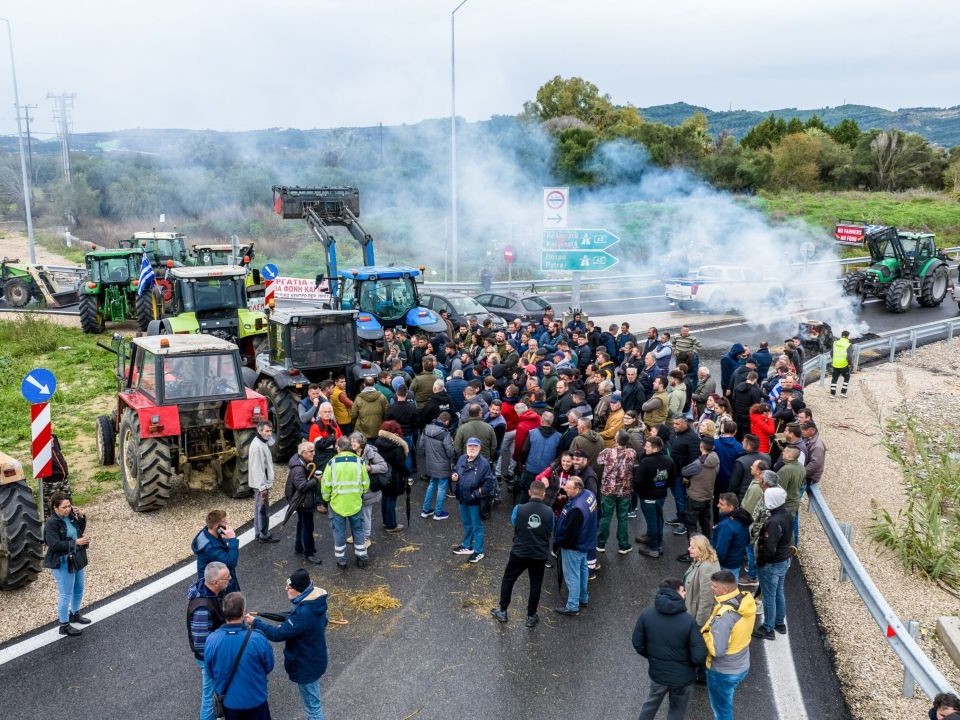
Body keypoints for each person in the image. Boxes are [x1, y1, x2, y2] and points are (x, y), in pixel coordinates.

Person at [249, 569, 329, 720]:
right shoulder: (315, 602)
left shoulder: (303, 613)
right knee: (313, 701)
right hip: (316, 656)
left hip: (307, 664)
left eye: (289, 587)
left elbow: (277, 634)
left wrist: (255, 622)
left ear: (298, 590)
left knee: (313, 708)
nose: (286, 589)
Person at [632, 577, 707, 720]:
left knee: (650, 705)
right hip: (683, 679)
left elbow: (638, 644)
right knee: (676, 712)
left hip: (658, 675)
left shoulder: (646, 615)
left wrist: (654, 656)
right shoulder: (689, 621)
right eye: (683, 590)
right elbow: (698, 655)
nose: (685, 594)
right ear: (676, 592)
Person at [491, 480, 554, 628]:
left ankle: (503, 611)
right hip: (539, 554)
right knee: (535, 585)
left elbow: (514, 522)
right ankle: (531, 616)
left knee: (508, 579)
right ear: (544, 494)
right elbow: (550, 529)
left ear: (529, 492)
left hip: (519, 551)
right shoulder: (549, 512)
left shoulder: (519, 509)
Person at [204, 592, 274, 720]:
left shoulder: (212, 640)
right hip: (256, 699)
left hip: (229, 702)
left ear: (224, 611)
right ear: (243, 612)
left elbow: (210, 672)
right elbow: (269, 666)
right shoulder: (257, 638)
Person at [702, 570, 756, 720]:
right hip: (741, 664)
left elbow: (717, 650)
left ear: (724, 590)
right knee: (726, 702)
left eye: (714, 586)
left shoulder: (725, 617)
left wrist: (705, 633)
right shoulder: (745, 600)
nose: (711, 588)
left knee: (722, 710)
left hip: (723, 671)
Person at [187, 561, 231, 720]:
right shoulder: (203, 608)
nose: (230, 579)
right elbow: (201, 645)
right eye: (227, 578)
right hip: (209, 659)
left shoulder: (210, 593)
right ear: (215, 582)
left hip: (213, 655)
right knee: (208, 697)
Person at [43, 492, 90, 636]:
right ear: (55, 508)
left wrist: (81, 517)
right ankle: (64, 625)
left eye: (69, 506)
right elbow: (54, 545)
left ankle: (74, 614)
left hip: (76, 557)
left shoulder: (70, 516)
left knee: (79, 588)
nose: (68, 509)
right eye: (64, 507)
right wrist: (75, 543)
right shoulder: (51, 523)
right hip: (62, 562)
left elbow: (79, 531)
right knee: (65, 594)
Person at [321, 436, 371, 569]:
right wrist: (359, 494)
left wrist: (326, 499)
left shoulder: (332, 463)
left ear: (338, 448)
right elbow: (366, 484)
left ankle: (341, 560)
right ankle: (362, 557)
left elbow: (325, 485)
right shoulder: (359, 462)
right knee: (358, 530)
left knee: (339, 532)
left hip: (337, 505)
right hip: (355, 503)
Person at [553, 476, 598, 616]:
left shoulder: (576, 509)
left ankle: (572, 606)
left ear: (577, 488)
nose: (565, 488)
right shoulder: (589, 495)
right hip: (586, 542)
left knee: (572, 575)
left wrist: (560, 544)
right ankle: (583, 598)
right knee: (583, 571)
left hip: (574, 546)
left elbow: (570, 533)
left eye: (568, 487)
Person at [752, 486, 793, 641]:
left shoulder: (773, 522)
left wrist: (760, 562)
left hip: (772, 564)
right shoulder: (787, 514)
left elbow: (769, 548)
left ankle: (768, 628)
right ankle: (779, 623)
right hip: (784, 559)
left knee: (768, 596)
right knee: (779, 592)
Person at [452, 437, 496, 563]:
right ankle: (467, 546)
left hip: (475, 501)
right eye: (470, 446)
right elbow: (455, 470)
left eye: (475, 446)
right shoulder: (462, 458)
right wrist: (454, 476)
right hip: (462, 498)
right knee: (466, 523)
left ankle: (479, 551)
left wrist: (475, 494)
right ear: (466, 447)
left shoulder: (484, 464)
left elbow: (489, 483)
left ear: (479, 448)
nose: (472, 448)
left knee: (477, 526)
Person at [633, 435, 676, 558]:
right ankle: (658, 541)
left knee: (652, 521)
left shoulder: (646, 462)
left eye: (647, 447)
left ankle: (653, 548)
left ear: (655, 449)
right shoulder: (669, 460)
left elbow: (638, 482)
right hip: (661, 495)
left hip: (648, 497)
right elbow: (672, 479)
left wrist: (639, 492)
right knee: (658, 518)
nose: (644, 448)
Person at [595, 430, 637, 555]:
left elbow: (599, 461)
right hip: (624, 491)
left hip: (608, 490)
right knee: (623, 518)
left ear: (616, 439)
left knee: (606, 517)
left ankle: (601, 543)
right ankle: (623, 545)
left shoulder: (607, 452)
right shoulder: (632, 453)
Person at [285, 442, 323, 565]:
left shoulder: (300, 463)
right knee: (307, 527)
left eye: (313, 450)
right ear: (303, 453)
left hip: (301, 501)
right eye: (311, 451)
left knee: (302, 523)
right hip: (303, 501)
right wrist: (315, 480)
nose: (314, 453)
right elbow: (301, 486)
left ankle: (299, 547)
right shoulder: (298, 468)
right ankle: (309, 553)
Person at [372, 420, 409, 533]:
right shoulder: (397, 447)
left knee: (385, 498)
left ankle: (385, 521)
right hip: (394, 476)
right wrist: (407, 472)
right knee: (392, 499)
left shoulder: (378, 442)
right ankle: (392, 525)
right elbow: (400, 464)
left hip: (383, 475)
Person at [192, 509, 241, 593]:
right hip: (218, 588)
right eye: (224, 522)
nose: (227, 524)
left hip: (217, 581)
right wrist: (232, 539)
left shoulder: (209, 532)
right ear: (217, 527)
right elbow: (231, 562)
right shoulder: (210, 548)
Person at [420, 411, 457, 520]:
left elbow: (421, 445)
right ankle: (438, 513)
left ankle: (425, 510)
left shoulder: (426, 429)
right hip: (442, 465)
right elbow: (450, 452)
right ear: (446, 421)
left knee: (432, 484)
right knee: (442, 488)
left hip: (430, 463)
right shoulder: (445, 434)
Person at [249, 420, 279, 543]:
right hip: (262, 485)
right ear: (260, 431)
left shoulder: (261, 442)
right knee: (263, 510)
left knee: (259, 508)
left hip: (262, 484)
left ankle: (259, 533)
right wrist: (263, 487)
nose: (269, 434)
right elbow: (257, 469)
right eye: (266, 431)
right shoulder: (257, 446)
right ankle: (264, 535)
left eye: (271, 431)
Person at [683, 535, 722, 628]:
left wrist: (699, 623)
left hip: (695, 613)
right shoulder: (700, 559)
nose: (689, 549)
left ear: (701, 549)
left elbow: (707, 599)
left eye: (692, 547)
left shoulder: (706, 568)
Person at [712, 493, 752, 577]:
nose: (718, 505)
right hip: (736, 561)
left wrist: (714, 563)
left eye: (721, 504)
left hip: (726, 565)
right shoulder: (742, 517)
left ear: (731, 507)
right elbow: (747, 539)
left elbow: (721, 551)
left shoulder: (726, 526)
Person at [830, 329, 853, 398]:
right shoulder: (848, 344)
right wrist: (850, 363)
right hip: (844, 364)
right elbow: (849, 356)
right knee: (847, 377)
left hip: (835, 364)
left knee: (834, 378)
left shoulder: (835, 342)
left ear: (841, 335)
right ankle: (843, 392)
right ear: (847, 336)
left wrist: (834, 359)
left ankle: (832, 394)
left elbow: (831, 353)